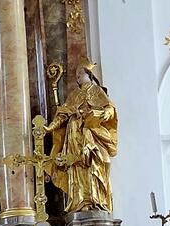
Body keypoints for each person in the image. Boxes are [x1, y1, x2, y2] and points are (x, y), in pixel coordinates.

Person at [48, 60, 118, 213]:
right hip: (74, 134)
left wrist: (103, 114)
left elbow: (109, 109)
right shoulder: (74, 95)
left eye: (80, 73)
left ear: (89, 74)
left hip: (92, 132)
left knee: (99, 161)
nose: (77, 77)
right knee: (76, 165)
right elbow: (63, 115)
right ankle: (81, 201)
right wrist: (50, 128)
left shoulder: (97, 91)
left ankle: (97, 200)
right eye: (76, 74)